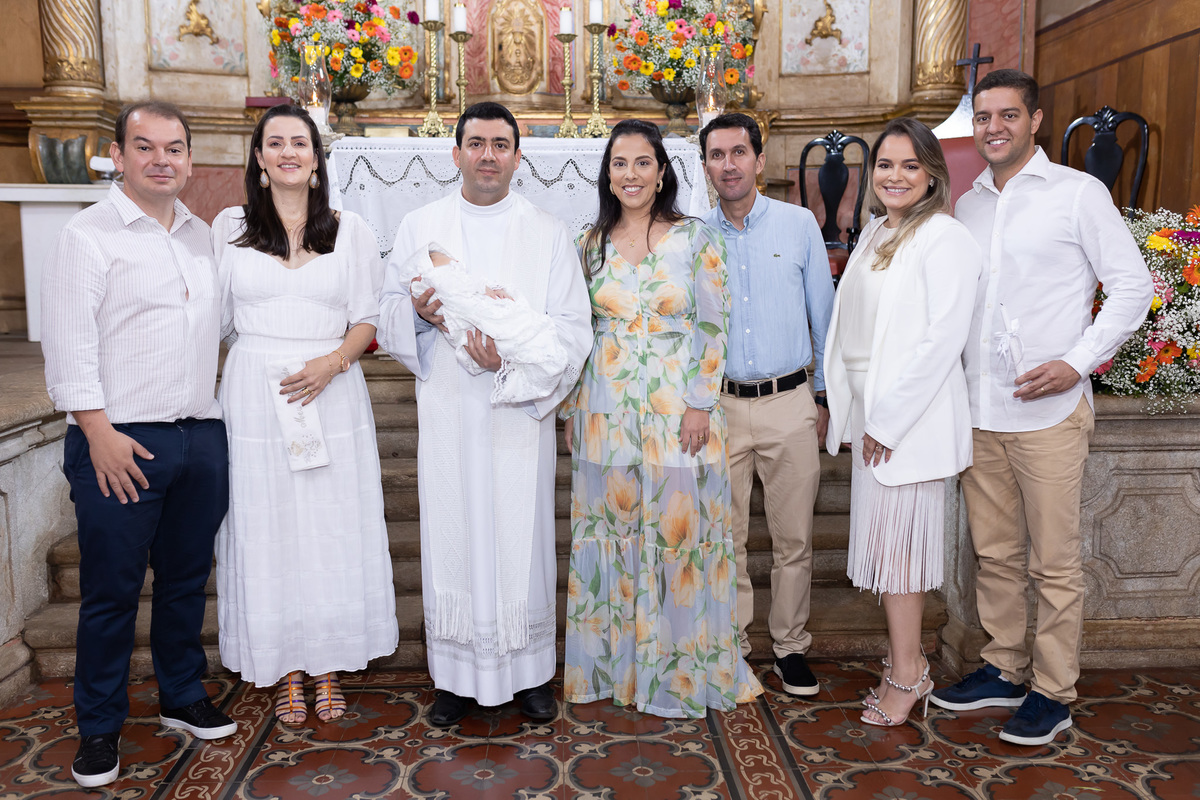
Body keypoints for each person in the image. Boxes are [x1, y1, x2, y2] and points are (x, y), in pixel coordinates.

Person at [930, 69, 1152, 745]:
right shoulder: (966, 205)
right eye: (984, 117)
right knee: (995, 555)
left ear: (1035, 120)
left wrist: (1076, 362)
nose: (993, 127)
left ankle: (1053, 691)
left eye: (1008, 115)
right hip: (981, 409)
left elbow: (1132, 286)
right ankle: (1003, 666)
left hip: (1048, 414)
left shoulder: (1078, 193)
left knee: (1054, 563)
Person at [377, 102, 592, 727]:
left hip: (517, 413)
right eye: (476, 143)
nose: (488, 155)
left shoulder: (547, 231)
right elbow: (384, 312)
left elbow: (572, 327)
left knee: (521, 537)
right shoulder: (421, 226)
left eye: (501, 144)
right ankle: (454, 677)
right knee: (454, 531)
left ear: (519, 157)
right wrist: (421, 314)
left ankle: (529, 673)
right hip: (448, 405)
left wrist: (512, 361)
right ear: (456, 153)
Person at [41, 102, 236, 789]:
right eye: (146, 147)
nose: (161, 160)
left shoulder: (202, 236)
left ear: (189, 159)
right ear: (119, 156)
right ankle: (99, 727)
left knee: (185, 581)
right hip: (119, 439)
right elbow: (69, 346)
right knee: (111, 592)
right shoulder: (87, 235)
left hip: (199, 434)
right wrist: (98, 433)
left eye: (174, 148)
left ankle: (181, 692)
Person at [561, 118, 762, 718]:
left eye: (642, 162)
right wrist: (572, 407)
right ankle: (618, 670)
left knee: (678, 539)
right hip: (604, 414)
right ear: (608, 175)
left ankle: (677, 673)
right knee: (614, 538)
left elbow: (713, 324)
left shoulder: (695, 238)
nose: (631, 174)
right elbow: (576, 333)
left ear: (662, 171)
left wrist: (701, 402)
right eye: (619, 163)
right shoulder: (589, 244)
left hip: (680, 414)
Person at [212, 103, 398, 727]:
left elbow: (367, 316)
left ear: (317, 158)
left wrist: (332, 362)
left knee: (329, 524)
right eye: (276, 143)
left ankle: (328, 664)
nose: (288, 152)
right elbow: (214, 318)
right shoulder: (230, 227)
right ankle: (286, 666)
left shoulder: (351, 230)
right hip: (254, 396)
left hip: (330, 390)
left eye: (300, 142)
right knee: (264, 523)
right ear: (259, 158)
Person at [822, 117, 981, 727]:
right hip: (873, 415)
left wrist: (887, 423)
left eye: (910, 165)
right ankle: (902, 659)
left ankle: (909, 674)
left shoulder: (944, 237)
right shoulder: (874, 232)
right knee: (888, 552)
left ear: (933, 175)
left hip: (907, 423)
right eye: (885, 165)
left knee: (900, 557)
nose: (895, 176)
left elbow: (943, 341)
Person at [698, 113, 835, 696]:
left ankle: (791, 647)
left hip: (788, 400)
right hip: (721, 405)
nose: (728, 165)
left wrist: (824, 396)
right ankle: (732, 646)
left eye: (738, 153)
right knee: (724, 537)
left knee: (793, 539)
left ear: (759, 159)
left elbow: (824, 315)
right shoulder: (693, 236)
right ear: (705, 165)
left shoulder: (798, 224)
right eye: (716, 155)